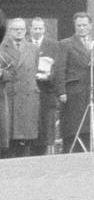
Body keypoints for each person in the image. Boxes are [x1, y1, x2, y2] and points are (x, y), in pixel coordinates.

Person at [54, 12, 94, 152]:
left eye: (84, 25)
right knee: (74, 126)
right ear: (74, 26)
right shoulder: (65, 44)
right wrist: (61, 91)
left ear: (90, 26)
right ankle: (72, 152)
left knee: (90, 126)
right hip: (74, 91)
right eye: (79, 25)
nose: (82, 28)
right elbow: (59, 69)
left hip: (92, 90)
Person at [1, 16, 40, 158]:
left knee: (25, 139)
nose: (19, 32)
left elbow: (33, 69)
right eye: (15, 29)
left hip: (27, 98)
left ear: (26, 31)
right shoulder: (2, 47)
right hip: (8, 97)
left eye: (21, 29)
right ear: (9, 31)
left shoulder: (33, 48)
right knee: (8, 139)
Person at [28, 17, 61, 156]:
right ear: (30, 29)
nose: (37, 31)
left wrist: (48, 76)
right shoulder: (24, 43)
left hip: (46, 91)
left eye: (40, 28)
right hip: (28, 92)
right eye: (35, 28)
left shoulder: (53, 45)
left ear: (44, 29)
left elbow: (58, 67)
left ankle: (43, 156)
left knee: (45, 128)